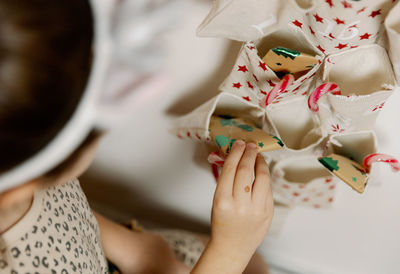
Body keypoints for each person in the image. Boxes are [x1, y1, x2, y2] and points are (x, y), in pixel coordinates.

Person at [0, 0, 274, 273]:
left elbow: (52, 204)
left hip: (104, 247)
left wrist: (132, 249)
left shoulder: (16, 165)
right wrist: (230, 251)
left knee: (253, 265)